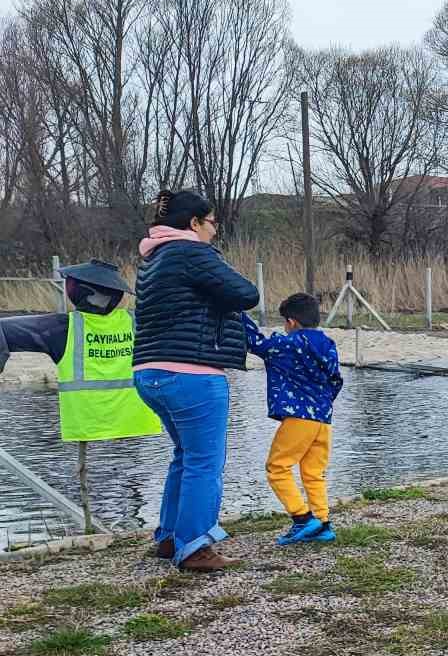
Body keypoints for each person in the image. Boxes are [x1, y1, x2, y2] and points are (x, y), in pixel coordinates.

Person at [133, 189, 260, 573]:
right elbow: (246, 293)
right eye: (211, 223)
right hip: (192, 374)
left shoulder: (152, 259)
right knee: (205, 462)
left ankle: (170, 535)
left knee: (184, 457)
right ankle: (195, 547)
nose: (214, 231)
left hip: (149, 371)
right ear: (193, 224)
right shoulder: (193, 253)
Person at [0, 259, 164, 444]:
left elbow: (5, 330)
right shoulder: (137, 322)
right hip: (136, 421)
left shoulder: (60, 328)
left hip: (86, 424)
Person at [243, 293, 343, 546]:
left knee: (277, 468)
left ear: (291, 322)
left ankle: (302, 518)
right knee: (313, 472)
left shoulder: (288, 344)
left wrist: (237, 314)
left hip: (300, 416)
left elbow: (256, 344)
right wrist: (323, 404)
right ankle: (322, 524)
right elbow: (336, 380)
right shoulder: (328, 344)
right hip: (323, 418)